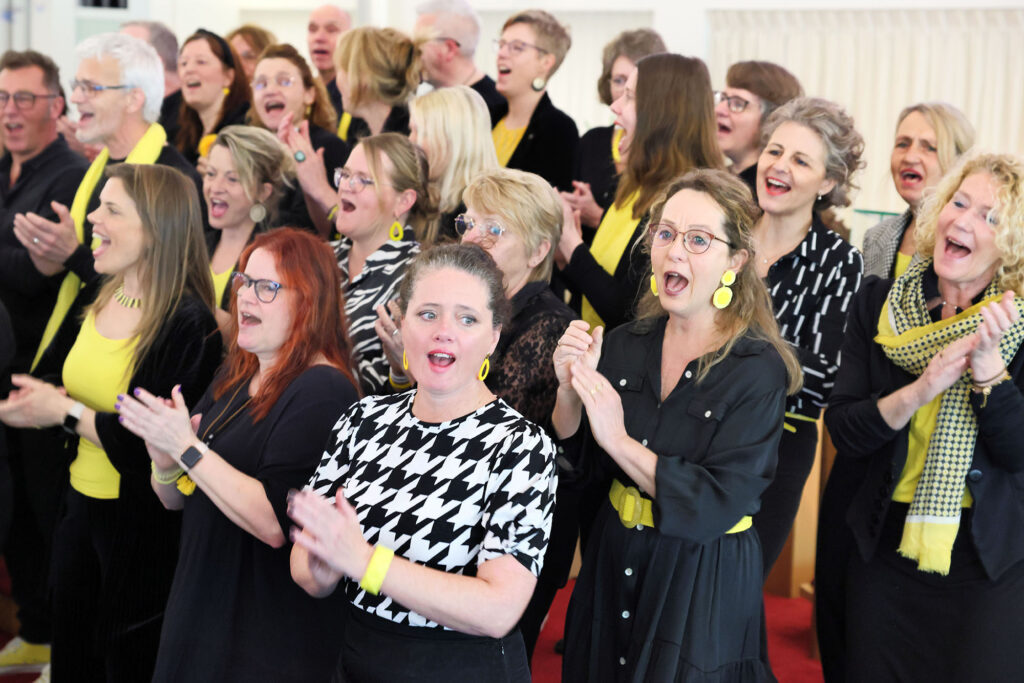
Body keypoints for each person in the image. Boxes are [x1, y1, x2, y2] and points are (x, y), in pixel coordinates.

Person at [555, 169, 802, 681]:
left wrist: (619, 440)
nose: (674, 252)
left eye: (697, 240)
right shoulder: (624, 343)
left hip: (701, 578)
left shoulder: (757, 369)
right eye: (665, 234)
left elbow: (717, 502)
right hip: (612, 559)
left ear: (735, 260)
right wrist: (566, 393)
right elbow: (578, 468)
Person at [289, 243, 558, 681]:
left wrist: (363, 561)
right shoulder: (363, 420)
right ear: (402, 325)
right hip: (359, 658)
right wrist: (324, 564)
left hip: (462, 668)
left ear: (493, 337)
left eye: (467, 319)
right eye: (428, 314)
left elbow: (498, 610)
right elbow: (306, 571)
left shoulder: (520, 445)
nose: (443, 332)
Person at [0, 163, 222, 681]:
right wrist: (39, 400)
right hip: (78, 508)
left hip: (139, 530)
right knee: (73, 658)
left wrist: (64, 413)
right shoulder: (104, 290)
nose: (93, 218)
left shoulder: (187, 322)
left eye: (112, 209)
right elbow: (65, 377)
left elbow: (153, 436)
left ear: (155, 229)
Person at [116, 228, 359, 682]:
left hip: (261, 635)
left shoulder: (324, 388)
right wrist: (165, 461)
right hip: (201, 603)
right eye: (244, 282)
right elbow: (176, 499)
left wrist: (186, 448)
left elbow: (274, 523)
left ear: (310, 302)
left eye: (267, 288)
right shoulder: (237, 370)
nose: (247, 297)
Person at [823, 152, 1024, 681]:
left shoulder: (1017, 328)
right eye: (958, 203)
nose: (961, 221)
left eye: (990, 217)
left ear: (1011, 248)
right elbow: (843, 429)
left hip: (986, 565)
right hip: (883, 548)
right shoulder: (879, 305)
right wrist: (920, 390)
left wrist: (988, 371)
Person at [453, 168, 574, 661]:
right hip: (464, 511)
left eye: (495, 228)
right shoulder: (472, 306)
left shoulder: (549, 324)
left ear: (539, 250)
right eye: (470, 222)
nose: (474, 237)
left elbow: (482, 432)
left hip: (517, 533)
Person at [749, 97, 864, 574]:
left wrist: (729, 353)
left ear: (829, 182)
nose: (779, 167)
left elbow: (818, 379)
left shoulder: (839, 262)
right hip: (689, 436)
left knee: (734, 590)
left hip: (777, 446)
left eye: (800, 160)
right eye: (774, 152)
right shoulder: (720, 235)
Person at [0, 48, 87, 677]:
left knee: (42, 509)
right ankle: (32, 625)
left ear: (56, 107)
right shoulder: (7, 166)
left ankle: (57, 636)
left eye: (24, 99)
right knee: (13, 515)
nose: (10, 112)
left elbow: (33, 276)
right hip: (7, 370)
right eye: (2, 98)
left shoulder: (68, 173)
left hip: (43, 371)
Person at [556, 53, 724, 332]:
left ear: (660, 114)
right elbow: (594, 291)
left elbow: (630, 314)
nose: (615, 106)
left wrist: (573, 246)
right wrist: (566, 256)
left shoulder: (682, 206)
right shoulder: (633, 184)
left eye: (630, 97)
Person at [331, 133, 432, 395]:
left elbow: (397, 389)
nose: (346, 186)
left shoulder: (420, 278)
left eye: (364, 180)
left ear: (404, 201)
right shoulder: (322, 257)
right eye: (345, 174)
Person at [562, 29, 665, 236]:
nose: (624, 90)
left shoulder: (664, 152)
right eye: (619, 80)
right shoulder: (592, 141)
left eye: (634, 83)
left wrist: (598, 216)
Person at [862, 103, 975, 279]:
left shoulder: (965, 241)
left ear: (959, 162)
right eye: (902, 144)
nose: (910, 157)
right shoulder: (875, 237)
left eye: (929, 147)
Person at [253, 43, 350, 236]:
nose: (270, 90)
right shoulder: (250, 150)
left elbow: (330, 230)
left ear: (309, 94)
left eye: (284, 82)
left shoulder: (329, 148)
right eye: (261, 84)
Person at [203, 125, 293, 326]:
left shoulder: (275, 257)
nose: (215, 188)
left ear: (263, 192)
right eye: (210, 174)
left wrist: (193, 304)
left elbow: (257, 336)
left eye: (233, 179)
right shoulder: (196, 244)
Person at [492, 9, 577, 192]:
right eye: (502, 45)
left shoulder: (559, 129)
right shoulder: (487, 116)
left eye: (516, 47)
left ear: (545, 62)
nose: (502, 53)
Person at [408, 85, 497, 244]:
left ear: (454, 141)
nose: (410, 141)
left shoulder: (478, 216)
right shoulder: (425, 198)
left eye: (420, 132)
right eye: (411, 131)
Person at [715, 60, 803, 198]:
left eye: (737, 104)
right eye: (723, 99)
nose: (719, 110)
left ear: (771, 119)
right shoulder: (716, 177)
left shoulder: (771, 192)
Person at [414, 0, 505, 124]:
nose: (411, 52)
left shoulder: (494, 111)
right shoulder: (418, 106)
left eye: (418, 43)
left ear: (449, 49)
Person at [333, 26, 420, 145]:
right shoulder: (362, 134)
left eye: (340, 70)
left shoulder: (412, 140)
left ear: (363, 76)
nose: (336, 80)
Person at [176, 29, 250, 166]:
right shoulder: (183, 134)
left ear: (228, 76)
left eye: (201, 62)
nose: (189, 70)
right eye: (183, 63)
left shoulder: (244, 132)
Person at [120, 21, 182, 144]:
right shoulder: (137, 107)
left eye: (125, 52)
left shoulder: (190, 117)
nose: (113, 60)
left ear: (156, 62)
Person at [306, 4, 353, 130]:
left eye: (331, 30)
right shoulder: (303, 91)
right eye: (313, 29)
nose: (319, 38)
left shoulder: (358, 95)